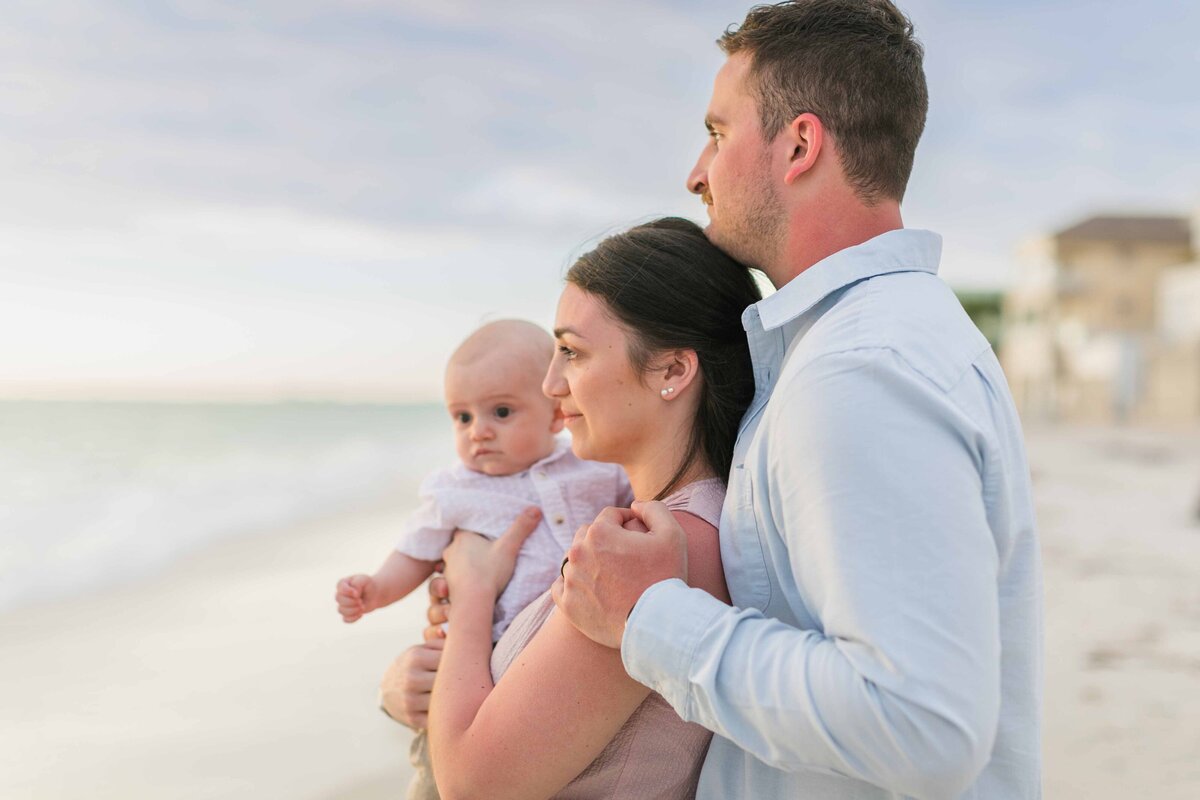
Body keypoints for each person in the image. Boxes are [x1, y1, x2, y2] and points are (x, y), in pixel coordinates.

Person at [552, 2, 1043, 799]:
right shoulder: (873, 345)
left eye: (717, 133)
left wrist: (651, 618)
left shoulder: (860, 368)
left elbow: (921, 725)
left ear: (799, 144)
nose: (695, 173)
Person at [414, 218, 762, 799]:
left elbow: (472, 787)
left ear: (673, 370)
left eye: (571, 353)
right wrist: (420, 683)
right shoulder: (661, 523)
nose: (550, 385)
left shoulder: (656, 553)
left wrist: (472, 590)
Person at [336, 318, 630, 800]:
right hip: (478, 667)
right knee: (441, 774)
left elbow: (639, 497)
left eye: (500, 412)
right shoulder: (455, 489)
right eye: (463, 417)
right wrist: (375, 589)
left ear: (555, 413)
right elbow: (416, 550)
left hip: (552, 661)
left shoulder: (594, 468)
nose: (479, 433)